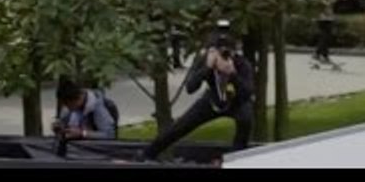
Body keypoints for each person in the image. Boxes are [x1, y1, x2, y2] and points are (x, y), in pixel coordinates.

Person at [141, 23, 255, 161]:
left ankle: (237, 157)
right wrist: (207, 68)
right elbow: (190, 87)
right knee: (181, 125)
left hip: (237, 102)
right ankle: (149, 153)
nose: (224, 56)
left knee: (246, 118)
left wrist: (232, 74)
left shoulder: (242, 64)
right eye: (220, 52)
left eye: (227, 52)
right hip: (213, 101)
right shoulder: (206, 60)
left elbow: (247, 92)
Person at [53, 77, 118, 141]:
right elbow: (64, 123)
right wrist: (60, 127)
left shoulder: (98, 107)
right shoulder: (70, 109)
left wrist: (82, 133)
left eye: (67, 104)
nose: (66, 108)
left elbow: (109, 135)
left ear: (76, 99)